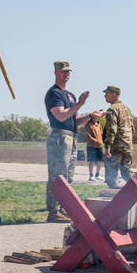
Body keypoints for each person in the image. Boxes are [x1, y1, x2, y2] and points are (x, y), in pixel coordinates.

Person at [45, 61, 103, 222]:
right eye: (63, 71)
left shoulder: (69, 95)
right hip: (60, 137)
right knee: (57, 176)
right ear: (56, 72)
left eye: (68, 71)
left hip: (71, 135)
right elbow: (61, 116)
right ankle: (53, 210)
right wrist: (80, 104)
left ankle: (64, 208)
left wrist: (91, 116)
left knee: (68, 176)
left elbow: (74, 120)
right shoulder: (54, 93)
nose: (66, 74)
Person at [101, 85, 134, 188]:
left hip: (116, 146)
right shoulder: (127, 108)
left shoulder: (112, 109)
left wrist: (107, 147)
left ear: (113, 94)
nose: (105, 96)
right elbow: (132, 128)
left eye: (106, 94)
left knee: (111, 174)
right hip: (128, 145)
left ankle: (113, 195)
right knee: (126, 172)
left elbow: (112, 129)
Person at [84, 114, 105, 182]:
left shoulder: (99, 125)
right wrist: (95, 141)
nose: (96, 118)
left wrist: (101, 141)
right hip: (91, 145)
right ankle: (91, 176)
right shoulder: (89, 125)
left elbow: (101, 134)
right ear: (92, 117)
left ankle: (97, 174)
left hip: (99, 146)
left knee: (100, 160)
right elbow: (88, 136)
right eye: (95, 117)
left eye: (97, 117)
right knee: (91, 161)